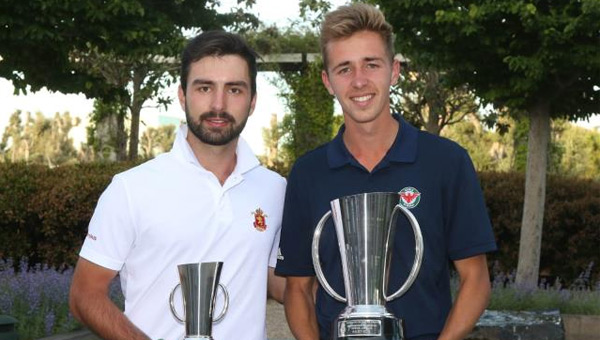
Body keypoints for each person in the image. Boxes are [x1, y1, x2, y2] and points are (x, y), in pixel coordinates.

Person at [275, 4, 497, 340]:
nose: (359, 81)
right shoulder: (308, 174)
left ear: (393, 71)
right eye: (344, 69)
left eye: (371, 64)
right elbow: (297, 289)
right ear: (328, 81)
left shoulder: (446, 162)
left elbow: (476, 279)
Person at [69, 31, 286, 340]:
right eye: (205, 87)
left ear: (252, 101)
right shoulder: (131, 189)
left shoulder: (274, 189)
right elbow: (84, 295)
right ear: (183, 95)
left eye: (234, 89)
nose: (218, 104)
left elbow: (276, 282)